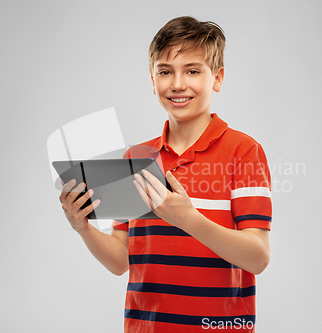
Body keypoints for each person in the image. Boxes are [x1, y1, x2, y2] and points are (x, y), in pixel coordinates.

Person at [59, 16, 272, 333]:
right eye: (165, 71)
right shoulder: (137, 157)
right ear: (152, 79)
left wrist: (189, 219)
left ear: (217, 78)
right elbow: (121, 260)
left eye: (193, 71)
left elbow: (257, 257)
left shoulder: (244, 152)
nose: (177, 83)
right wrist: (83, 228)